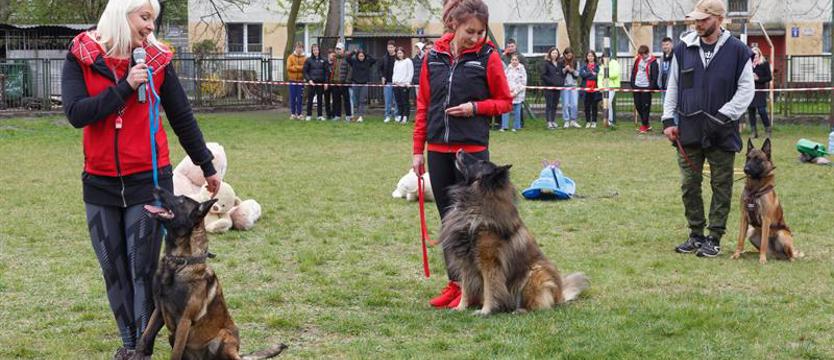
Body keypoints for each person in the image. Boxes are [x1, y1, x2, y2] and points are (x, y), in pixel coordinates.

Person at [60, 0, 220, 358]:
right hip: (99, 182)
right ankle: (130, 343)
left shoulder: (157, 60)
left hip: (147, 180)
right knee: (113, 269)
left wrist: (206, 164)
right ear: (122, 14)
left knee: (141, 269)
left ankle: (139, 351)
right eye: (144, 17)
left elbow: (181, 115)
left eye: (153, 19)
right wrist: (125, 87)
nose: (150, 26)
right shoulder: (82, 55)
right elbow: (76, 113)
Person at [412, 0, 512, 309]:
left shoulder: (488, 57)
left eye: (481, 32)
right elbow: (423, 105)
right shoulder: (433, 57)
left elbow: (505, 101)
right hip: (437, 149)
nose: (476, 38)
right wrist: (418, 150)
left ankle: (481, 286)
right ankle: (455, 284)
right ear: (453, 25)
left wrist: (475, 108)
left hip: (472, 153)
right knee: (448, 221)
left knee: (477, 224)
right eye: (470, 31)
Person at [662, 0, 754, 258]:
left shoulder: (738, 51)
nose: (698, 24)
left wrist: (724, 114)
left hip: (722, 130)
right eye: (696, 19)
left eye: (704, 19)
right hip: (688, 128)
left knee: (721, 185)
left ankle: (714, 237)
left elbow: (746, 89)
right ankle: (695, 234)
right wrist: (668, 119)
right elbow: (673, 86)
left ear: (719, 19)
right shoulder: (683, 49)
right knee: (689, 185)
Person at [748, 46, 773, 138]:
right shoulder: (748, 65)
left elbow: (769, 77)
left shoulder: (764, 64)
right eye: (753, 55)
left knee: (762, 110)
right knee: (751, 111)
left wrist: (758, 79)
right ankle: (754, 132)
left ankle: (768, 130)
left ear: (759, 55)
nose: (754, 56)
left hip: (760, 91)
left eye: (756, 55)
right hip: (750, 91)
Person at [347, 49, 375, 122]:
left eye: (362, 56)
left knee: (362, 100)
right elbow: (347, 58)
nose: (361, 57)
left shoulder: (367, 62)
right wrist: (353, 52)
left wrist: (367, 54)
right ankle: (357, 114)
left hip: (364, 83)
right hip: (355, 83)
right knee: (356, 100)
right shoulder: (354, 61)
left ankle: (360, 116)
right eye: (360, 56)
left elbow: (374, 60)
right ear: (357, 56)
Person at [501, 53, 527, 132]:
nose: (514, 61)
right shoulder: (508, 69)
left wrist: (515, 92)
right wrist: (508, 90)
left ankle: (516, 126)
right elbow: (504, 79)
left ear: (518, 61)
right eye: (513, 60)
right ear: (511, 60)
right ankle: (504, 126)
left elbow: (523, 83)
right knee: (505, 110)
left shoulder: (522, 69)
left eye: (516, 60)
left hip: (518, 94)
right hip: (508, 93)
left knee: (517, 111)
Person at [541, 47, 564, 130]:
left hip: (557, 87)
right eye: (553, 53)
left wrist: (561, 82)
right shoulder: (546, 64)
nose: (555, 55)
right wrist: (551, 82)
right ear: (550, 54)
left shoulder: (559, 63)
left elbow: (561, 74)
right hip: (549, 87)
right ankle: (549, 122)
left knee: (555, 104)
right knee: (549, 105)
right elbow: (543, 75)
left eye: (556, 53)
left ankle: (553, 120)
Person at [303, 44, 328, 121]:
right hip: (312, 83)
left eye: (317, 50)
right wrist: (309, 80)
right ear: (312, 51)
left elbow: (327, 72)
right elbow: (305, 72)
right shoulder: (308, 60)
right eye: (314, 50)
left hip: (320, 83)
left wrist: (326, 82)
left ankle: (320, 115)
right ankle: (309, 115)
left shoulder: (324, 60)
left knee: (320, 99)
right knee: (310, 99)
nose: (315, 51)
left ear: (319, 50)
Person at [597, 50, 621, 127]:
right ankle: (606, 120)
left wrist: (606, 73)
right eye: (604, 56)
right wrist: (600, 87)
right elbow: (599, 77)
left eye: (606, 56)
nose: (605, 58)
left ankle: (609, 120)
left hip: (611, 86)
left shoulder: (615, 63)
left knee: (608, 103)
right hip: (604, 87)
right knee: (605, 104)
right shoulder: (602, 65)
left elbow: (615, 74)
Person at [330, 43, 353, 121]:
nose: (338, 51)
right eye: (337, 49)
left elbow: (350, 71)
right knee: (336, 100)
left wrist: (347, 81)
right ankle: (337, 115)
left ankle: (348, 115)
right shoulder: (334, 59)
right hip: (335, 83)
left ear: (343, 50)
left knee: (346, 100)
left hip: (344, 83)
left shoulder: (347, 58)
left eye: (339, 49)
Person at [579, 50, 602, 128]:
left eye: (592, 56)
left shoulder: (597, 66)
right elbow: (582, 75)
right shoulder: (584, 66)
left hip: (595, 89)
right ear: (586, 57)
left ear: (594, 57)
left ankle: (594, 121)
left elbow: (598, 76)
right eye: (589, 56)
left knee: (594, 106)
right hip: (586, 89)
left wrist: (588, 74)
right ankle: (588, 121)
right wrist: (591, 73)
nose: (590, 57)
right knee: (587, 106)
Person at [392, 46, 414, 123]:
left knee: (405, 101)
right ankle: (400, 115)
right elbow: (394, 73)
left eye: (400, 53)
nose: (399, 55)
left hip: (404, 85)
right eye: (398, 53)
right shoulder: (396, 62)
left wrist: (408, 82)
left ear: (404, 53)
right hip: (396, 85)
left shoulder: (408, 61)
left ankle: (405, 116)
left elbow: (410, 72)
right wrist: (394, 81)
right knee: (398, 101)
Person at [561, 47, 580, 128]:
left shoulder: (576, 62)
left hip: (573, 85)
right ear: (565, 55)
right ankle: (566, 120)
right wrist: (565, 69)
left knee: (574, 104)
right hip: (564, 85)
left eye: (570, 55)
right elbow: (559, 73)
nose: (569, 56)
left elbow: (578, 74)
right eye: (567, 55)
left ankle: (573, 120)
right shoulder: (561, 61)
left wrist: (572, 71)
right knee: (565, 104)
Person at [658, 37, 676, 125]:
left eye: (667, 44)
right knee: (665, 106)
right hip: (663, 85)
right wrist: (659, 82)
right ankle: (667, 126)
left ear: (671, 45)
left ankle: (675, 125)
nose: (665, 46)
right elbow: (661, 71)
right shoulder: (662, 57)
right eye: (663, 45)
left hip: (672, 85)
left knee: (673, 106)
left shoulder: (675, 56)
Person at [286, 41, 306, 120]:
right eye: (298, 47)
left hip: (301, 81)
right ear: (295, 48)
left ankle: (300, 114)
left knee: (300, 98)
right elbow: (288, 67)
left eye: (300, 48)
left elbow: (305, 68)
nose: (299, 49)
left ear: (302, 48)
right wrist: (299, 68)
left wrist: (295, 67)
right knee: (293, 97)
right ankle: (293, 114)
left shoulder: (305, 58)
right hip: (292, 80)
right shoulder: (290, 57)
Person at [380, 40, 398, 122]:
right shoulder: (384, 58)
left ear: (394, 48)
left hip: (397, 82)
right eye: (388, 47)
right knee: (388, 101)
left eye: (391, 47)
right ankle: (387, 115)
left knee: (396, 100)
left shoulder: (398, 57)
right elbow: (380, 69)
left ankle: (397, 115)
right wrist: (382, 77)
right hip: (387, 82)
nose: (390, 49)